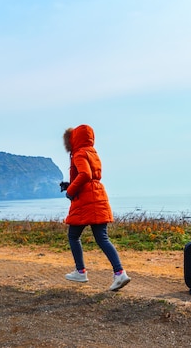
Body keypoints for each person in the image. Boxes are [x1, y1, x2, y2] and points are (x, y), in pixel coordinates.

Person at [61, 124, 131, 291]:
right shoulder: (93, 153)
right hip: (97, 196)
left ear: (74, 139)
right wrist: (70, 184)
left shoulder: (78, 153)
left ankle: (81, 271)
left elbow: (85, 174)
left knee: (73, 236)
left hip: (86, 201)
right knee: (102, 238)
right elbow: (91, 176)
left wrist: (70, 191)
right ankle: (119, 273)